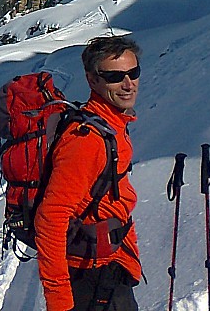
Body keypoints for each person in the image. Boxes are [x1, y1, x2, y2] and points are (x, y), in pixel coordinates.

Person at [35, 35, 143, 311]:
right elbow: (50, 219)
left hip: (110, 263)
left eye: (133, 72)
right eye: (114, 76)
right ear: (92, 80)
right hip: (90, 277)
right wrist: (60, 302)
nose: (128, 83)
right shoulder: (87, 141)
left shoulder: (111, 124)